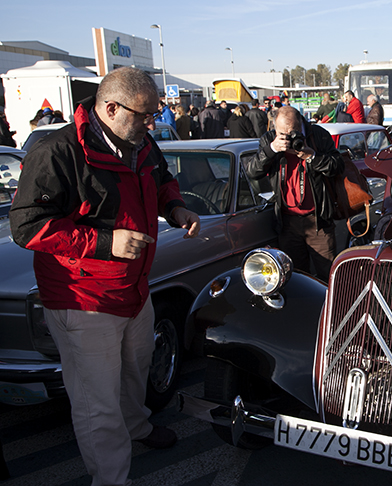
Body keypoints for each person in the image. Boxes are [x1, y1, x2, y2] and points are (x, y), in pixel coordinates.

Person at [8, 66, 200, 486]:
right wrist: (104, 243)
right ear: (111, 108)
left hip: (133, 288)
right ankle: (111, 479)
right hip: (83, 299)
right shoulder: (56, 152)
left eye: (155, 113)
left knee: (136, 368)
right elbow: (26, 227)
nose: (154, 123)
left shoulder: (140, 141)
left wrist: (176, 208)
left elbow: (163, 181)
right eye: (145, 115)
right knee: (97, 402)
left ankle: (138, 426)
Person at [246, 106, 344, 280]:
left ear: (300, 126)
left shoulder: (318, 136)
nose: (286, 138)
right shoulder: (270, 139)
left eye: (290, 133)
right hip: (287, 222)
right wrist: (272, 149)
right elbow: (252, 171)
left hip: (318, 221)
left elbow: (337, 166)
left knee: (328, 275)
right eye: (280, 132)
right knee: (297, 277)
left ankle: (329, 306)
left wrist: (312, 157)